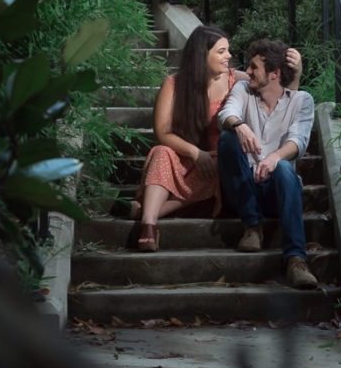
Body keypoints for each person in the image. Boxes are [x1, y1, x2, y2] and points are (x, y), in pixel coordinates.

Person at [216, 37, 320, 290]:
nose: (247, 71)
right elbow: (226, 113)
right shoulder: (243, 90)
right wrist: (240, 127)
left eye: (253, 67)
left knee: (285, 168)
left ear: (273, 74)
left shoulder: (301, 100)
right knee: (228, 138)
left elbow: (299, 141)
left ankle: (296, 260)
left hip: (277, 191)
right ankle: (252, 227)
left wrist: (274, 157)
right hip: (243, 188)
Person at [131, 26, 240, 252]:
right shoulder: (174, 84)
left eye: (227, 51)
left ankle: (144, 212)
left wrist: (295, 73)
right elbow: (162, 132)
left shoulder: (235, 81)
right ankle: (149, 227)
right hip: (184, 158)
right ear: (202, 54)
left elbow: (276, 91)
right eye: (221, 51)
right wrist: (195, 153)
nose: (228, 56)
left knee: (222, 162)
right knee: (161, 152)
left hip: (217, 165)